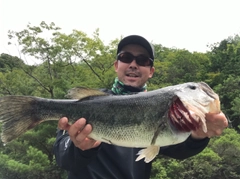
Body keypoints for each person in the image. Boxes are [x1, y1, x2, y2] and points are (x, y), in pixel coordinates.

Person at [53, 35, 228, 179]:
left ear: (151, 71)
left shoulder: (165, 110)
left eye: (142, 60)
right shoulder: (87, 105)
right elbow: (63, 157)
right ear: (116, 65)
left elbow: (178, 147)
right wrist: (79, 147)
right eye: (126, 57)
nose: (133, 64)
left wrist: (198, 136)